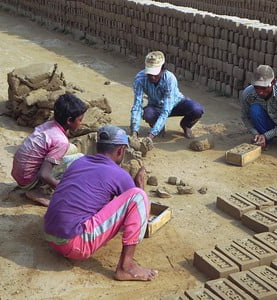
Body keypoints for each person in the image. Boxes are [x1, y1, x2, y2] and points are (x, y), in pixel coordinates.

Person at [44, 125, 158, 281]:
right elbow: (141, 215)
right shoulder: (119, 174)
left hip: (50, 236)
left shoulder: (79, 162)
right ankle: (126, 267)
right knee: (138, 196)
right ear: (121, 150)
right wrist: (141, 185)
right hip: (73, 243)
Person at [11, 93, 87, 206]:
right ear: (69, 120)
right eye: (80, 120)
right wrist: (62, 188)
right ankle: (38, 191)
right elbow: (43, 174)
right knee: (80, 159)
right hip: (29, 181)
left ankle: (37, 186)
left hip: (20, 173)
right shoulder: (61, 140)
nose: (81, 123)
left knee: (72, 148)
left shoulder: (49, 125)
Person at [130, 51, 204, 139]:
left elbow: (166, 110)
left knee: (197, 109)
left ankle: (186, 125)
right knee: (148, 114)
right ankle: (158, 128)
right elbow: (137, 105)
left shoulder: (169, 79)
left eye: (155, 74)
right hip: (156, 106)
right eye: (150, 74)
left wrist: (151, 135)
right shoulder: (140, 79)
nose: (152, 77)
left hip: (176, 104)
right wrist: (134, 132)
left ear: (163, 69)